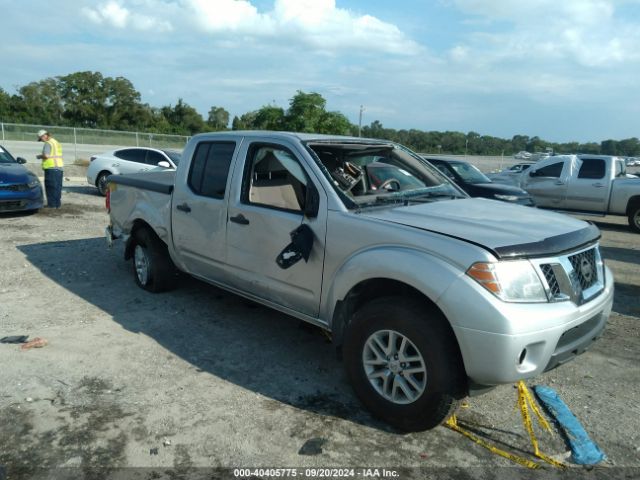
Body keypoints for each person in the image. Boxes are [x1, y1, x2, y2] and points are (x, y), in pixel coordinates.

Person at [36, 129, 64, 208]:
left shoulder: (48, 143)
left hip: (51, 168)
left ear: (44, 135)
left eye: (41, 139)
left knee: (50, 187)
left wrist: (40, 156)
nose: (41, 141)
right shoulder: (56, 142)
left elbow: (46, 155)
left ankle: (51, 206)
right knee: (58, 187)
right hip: (59, 168)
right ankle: (57, 205)